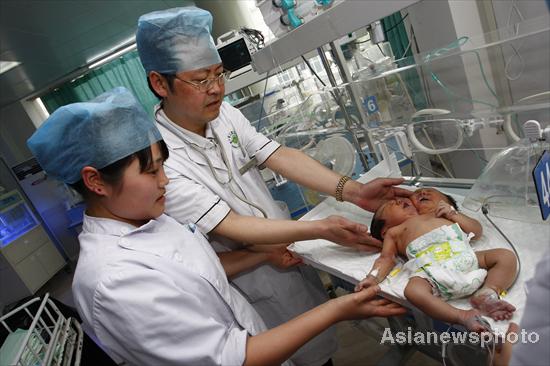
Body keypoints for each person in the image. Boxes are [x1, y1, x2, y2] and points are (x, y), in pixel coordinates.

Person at [26, 87, 407, 365]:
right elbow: (230, 359)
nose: (165, 180)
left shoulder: (149, 220)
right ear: (95, 182)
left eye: (163, 165)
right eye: (151, 170)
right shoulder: (114, 282)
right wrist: (339, 309)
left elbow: (193, 266)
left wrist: (258, 256)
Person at [135, 6, 412, 365]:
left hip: (284, 255)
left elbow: (277, 154)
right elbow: (230, 225)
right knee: (290, 352)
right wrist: (320, 229)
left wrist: (354, 190)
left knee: (321, 345)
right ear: (160, 83)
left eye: (220, 74)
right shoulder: (159, 160)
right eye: (201, 80)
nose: (217, 89)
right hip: (250, 278)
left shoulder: (223, 115)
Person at [356, 190, 518, 332]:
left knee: (506, 257)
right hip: (430, 269)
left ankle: (487, 293)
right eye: (390, 205)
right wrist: (373, 277)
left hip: (464, 257)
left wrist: (453, 213)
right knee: (413, 291)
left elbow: (476, 230)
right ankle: (461, 315)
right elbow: (386, 259)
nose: (399, 200)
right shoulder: (394, 232)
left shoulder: (440, 215)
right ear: (383, 231)